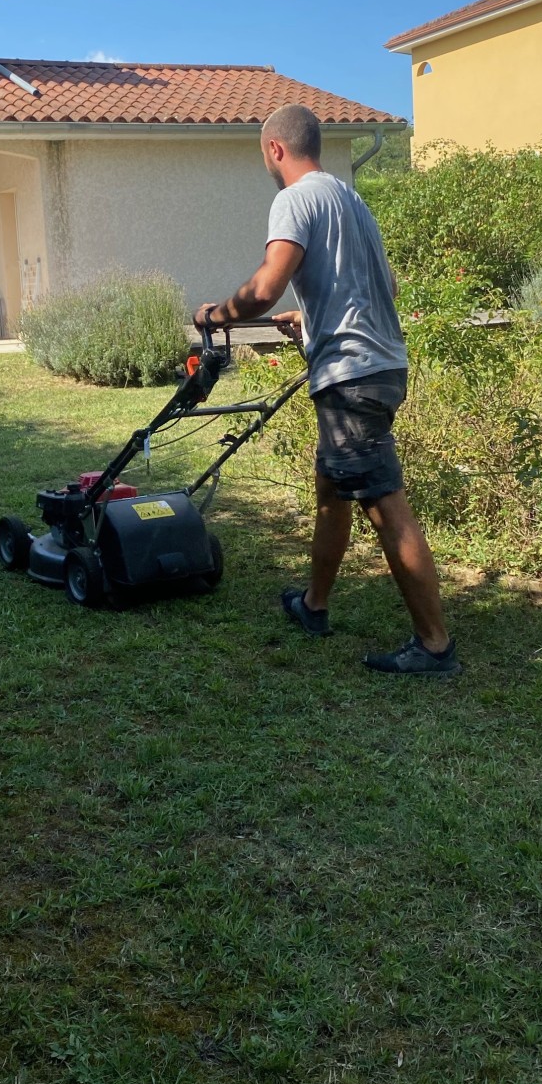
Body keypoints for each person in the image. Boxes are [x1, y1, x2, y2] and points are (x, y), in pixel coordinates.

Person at [193, 103, 460, 675]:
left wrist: (215, 315)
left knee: (384, 504)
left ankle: (435, 645)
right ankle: (314, 605)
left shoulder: (295, 199)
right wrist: (312, 319)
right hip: (383, 365)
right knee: (331, 490)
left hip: (352, 375)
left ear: (275, 149)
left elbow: (264, 289)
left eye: (265, 154)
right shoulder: (352, 201)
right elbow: (385, 285)